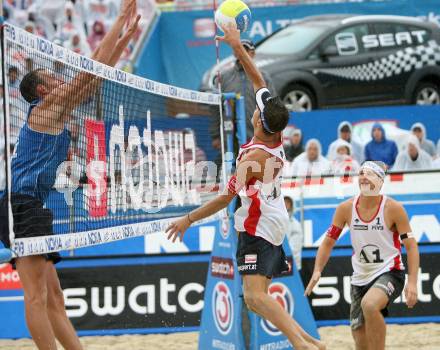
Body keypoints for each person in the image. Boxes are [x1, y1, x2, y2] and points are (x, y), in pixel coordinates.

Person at [166, 23, 325, 350]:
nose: (255, 109)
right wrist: (237, 47)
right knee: (256, 299)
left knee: (254, 296)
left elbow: (225, 198)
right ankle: (310, 341)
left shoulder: (252, 158)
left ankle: (301, 344)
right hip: (273, 215)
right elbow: (259, 79)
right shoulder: (276, 126)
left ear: (258, 122)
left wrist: (188, 219)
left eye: (256, 112)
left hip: (260, 224)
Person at [0, 2, 141, 349]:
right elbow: (90, 65)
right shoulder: (46, 108)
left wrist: (125, 39)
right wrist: (119, 20)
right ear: (43, 91)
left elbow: (98, 73)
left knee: (55, 299)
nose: (60, 74)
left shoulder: (59, 107)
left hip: (31, 207)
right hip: (20, 207)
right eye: (52, 76)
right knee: (35, 298)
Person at [305, 161, 419, 350]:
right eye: (361, 173)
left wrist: (413, 282)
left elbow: (412, 246)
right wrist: (317, 270)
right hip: (360, 278)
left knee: (370, 305)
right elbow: (327, 242)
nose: (364, 177)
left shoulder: (394, 208)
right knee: (360, 340)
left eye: (371, 174)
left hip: (390, 271)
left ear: (381, 182)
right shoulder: (346, 208)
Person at [210, 39, 277, 150]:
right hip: (231, 139)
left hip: (259, 138)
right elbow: (215, 109)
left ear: (253, 53)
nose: (242, 53)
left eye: (246, 50)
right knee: (234, 166)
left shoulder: (263, 77)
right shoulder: (223, 78)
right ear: (235, 53)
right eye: (239, 50)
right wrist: (216, 136)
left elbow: (273, 107)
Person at [284, 196, 304, 270]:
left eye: (288, 202)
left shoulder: (295, 225)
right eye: (283, 201)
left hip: (291, 266)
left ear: (291, 205)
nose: (285, 204)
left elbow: (294, 249)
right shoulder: (273, 222)